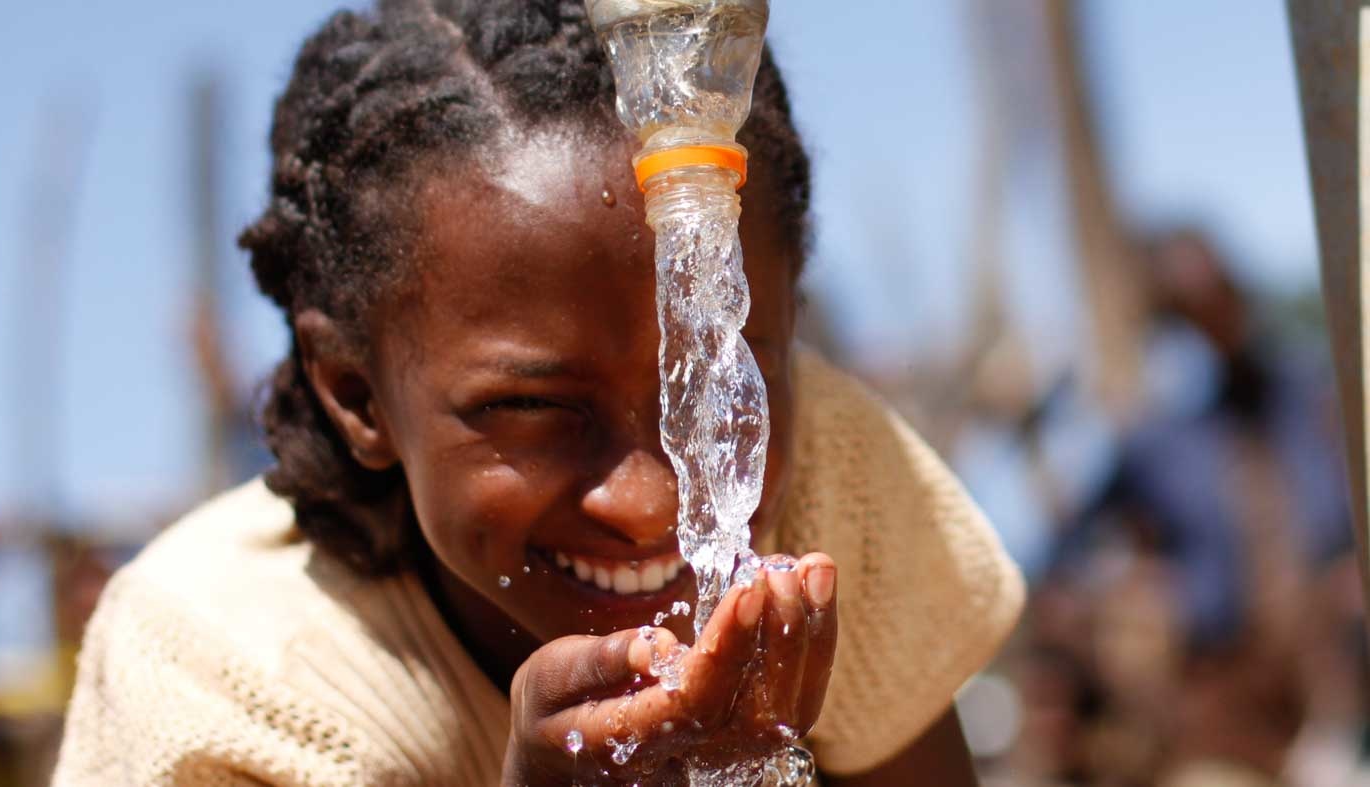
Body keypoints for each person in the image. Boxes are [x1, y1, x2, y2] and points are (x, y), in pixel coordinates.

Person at [52, 1, 1024, 784]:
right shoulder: (218, 679)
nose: (653, 504)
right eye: (535, 409)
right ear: (357, 394)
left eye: (714, 373)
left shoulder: (824, 482)